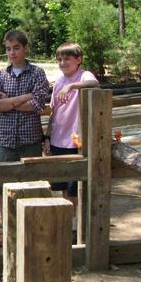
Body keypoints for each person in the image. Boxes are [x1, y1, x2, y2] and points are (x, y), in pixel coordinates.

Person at [0, 30, 49, 246]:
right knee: (2, 186)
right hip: (5, 139)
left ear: (25, 48)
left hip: (30, 139)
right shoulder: (1, 76)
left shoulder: (37, 73)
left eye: (16, 48)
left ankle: (31, 231)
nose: (12, 53)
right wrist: (24, 97)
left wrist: (10, 102)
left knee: (31, 185)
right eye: (8, 49)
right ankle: (7, 231)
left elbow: (38, 105)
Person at [44, 42, 99, 212]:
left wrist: (72, 86)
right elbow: (54, 112)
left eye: (67, 59)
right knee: (62, 185)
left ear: (78, 59)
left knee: (75, 187)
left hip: (75, 141)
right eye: (59, 59)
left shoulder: (83, 76)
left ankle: (77, 225)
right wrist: (47, 136)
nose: (62, 63)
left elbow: (94, 84)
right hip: (57, 139)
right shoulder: (59, 82)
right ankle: (68, 222)